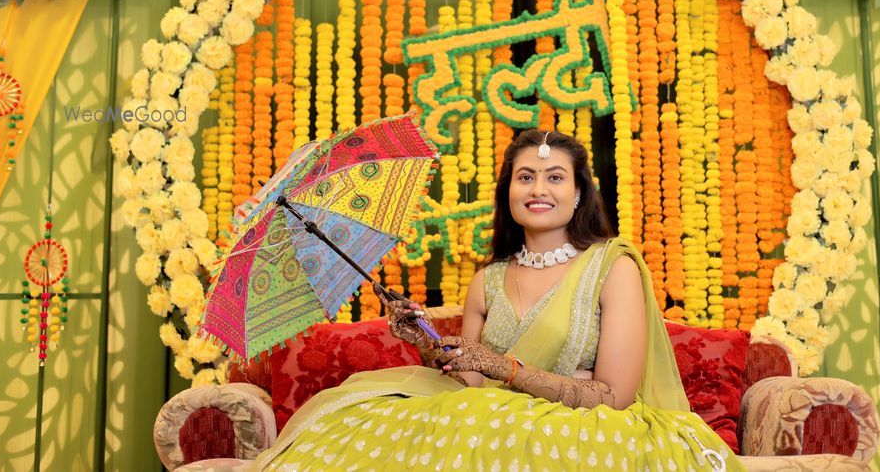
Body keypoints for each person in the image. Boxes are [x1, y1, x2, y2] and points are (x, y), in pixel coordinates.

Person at [253, 130, 743, 471]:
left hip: (585, 427)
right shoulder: (487, 279)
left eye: (555, 178)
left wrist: (505, 368)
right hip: (485, 418)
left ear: (578, 195)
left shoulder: (612, 269)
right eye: (525, 176)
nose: (538, 189)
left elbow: (613, 397)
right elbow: (468, 380)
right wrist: (423, 343)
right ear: (508, 192)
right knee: (357, 420)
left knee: (472, 428)